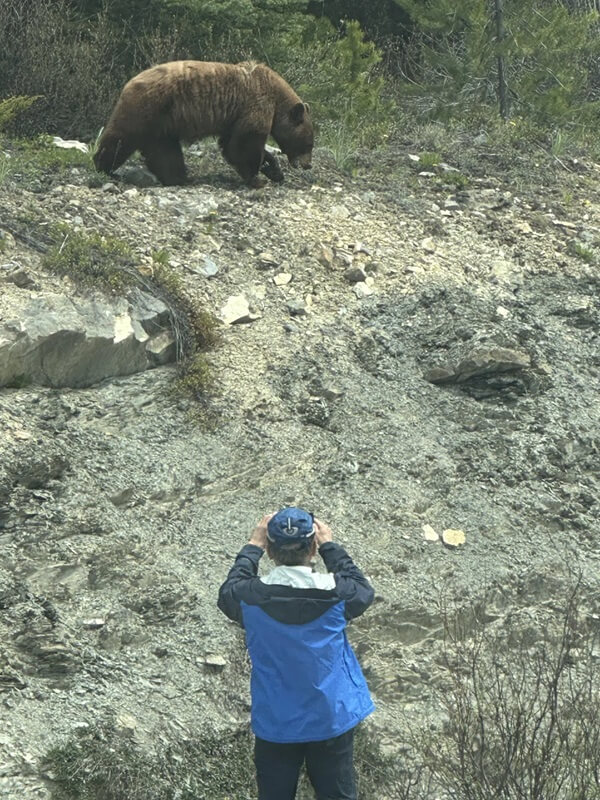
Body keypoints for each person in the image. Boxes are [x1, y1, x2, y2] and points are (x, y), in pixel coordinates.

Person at [217, 507, 375, 800]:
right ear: (312, 546)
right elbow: (363, 590)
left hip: (276, 720)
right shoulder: (338, 593)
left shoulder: (248, 597)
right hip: (331, 717)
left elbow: (228, 591)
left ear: (271, 551)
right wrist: (331, 548)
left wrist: (252, 546)